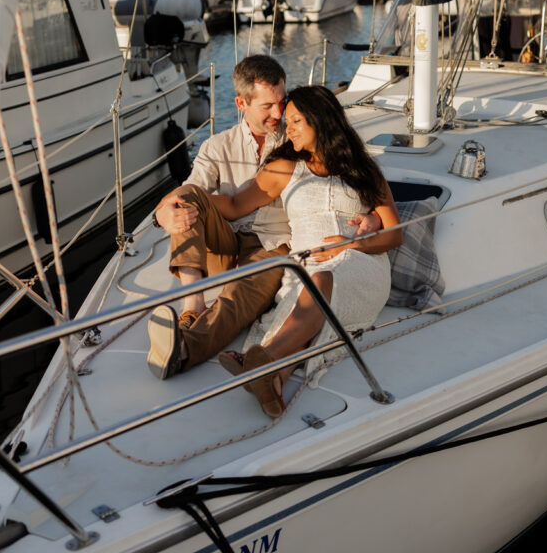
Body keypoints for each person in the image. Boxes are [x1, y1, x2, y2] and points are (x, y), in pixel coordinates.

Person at [147, 56, 381, 378]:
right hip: (223, 243)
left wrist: (374, 216)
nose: (279, 113)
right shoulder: (217, 147)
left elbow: (345, 175)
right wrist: (162, 213)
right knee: (185, 196)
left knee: (238, 297)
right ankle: (193, 306)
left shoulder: (297, 137)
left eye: (281, 102)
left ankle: (184, 350)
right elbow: (189, 193)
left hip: (273, 245)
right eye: (267, 106)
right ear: (241, 103)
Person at [213, 84, 402, 418]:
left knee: (323, 280)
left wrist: (350, 244)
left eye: (297, 121)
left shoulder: (364, 170)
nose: (289, 129)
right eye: (288, 122)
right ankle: (274, 382)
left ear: (321, 120)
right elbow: (234, 206)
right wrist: (183, 196)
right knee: (314, 288)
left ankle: (264, 359)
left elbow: (394, 235)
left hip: (362, 266)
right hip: (306, 266)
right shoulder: (284, 167)